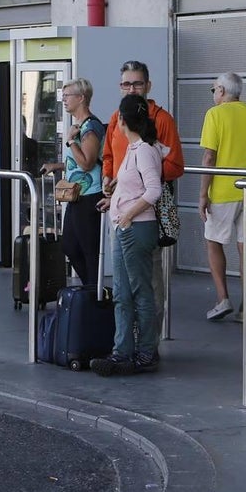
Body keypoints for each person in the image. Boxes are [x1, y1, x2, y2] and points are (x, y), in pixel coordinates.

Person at [100, 60, 184, 326]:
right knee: (122, 284)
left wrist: (138, 178)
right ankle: (127, 339)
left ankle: (149, 340)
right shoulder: (117, 118)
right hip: (119, 211)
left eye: (137, 84)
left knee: (149, 281)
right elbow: (108, 155)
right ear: (120, 86)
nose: (132, 89)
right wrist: (107, 178)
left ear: (148, 85)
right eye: (126, 84)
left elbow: (175, 165)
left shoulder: (162, 119)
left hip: (147, 212)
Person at [91, 94, 167, 377]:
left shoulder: (144, 150)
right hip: (126, 226)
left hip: (135, 227)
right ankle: (122, 351)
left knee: (139, 291)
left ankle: (145, 352)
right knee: (123, 293)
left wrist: (128, 214)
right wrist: (115, 198)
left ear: (122, 120)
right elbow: (137, 188)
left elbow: (153, 191)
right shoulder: (136, 149)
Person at [199, 72, 246, 322]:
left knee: (213, 241)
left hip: (224, 189)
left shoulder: (214, 114)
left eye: (213, 90)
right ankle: (245, 307)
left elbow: (209, 157)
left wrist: (203, 194)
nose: (213, 94)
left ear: (221, 90)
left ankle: (222, 299)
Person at [40, 78, 106, 287]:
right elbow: (77, 162)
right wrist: (58, 166)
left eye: (67, 96)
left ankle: (94, 292)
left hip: (90, 195)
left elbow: (87, 163)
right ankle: (90, 288)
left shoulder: (90, 127)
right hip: (76, 194)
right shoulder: (78, 126)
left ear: (81, 98)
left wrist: (70, 141)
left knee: (89, 249)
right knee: (69, 245)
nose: (64, 100)